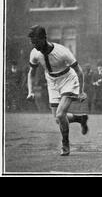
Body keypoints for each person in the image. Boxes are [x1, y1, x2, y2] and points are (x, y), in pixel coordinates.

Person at [26, 25, 89, 156]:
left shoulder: (62, 51)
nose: (35, 45)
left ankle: (65, 143)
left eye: (37, 42)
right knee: (57, 119)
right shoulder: (34, 53)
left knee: (60, 115)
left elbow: (79, 71)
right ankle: (80, 119)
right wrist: (30, 91)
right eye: (32, 42)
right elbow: (31, 73)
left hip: (68, 80)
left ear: (44, 38)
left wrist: (81, 91)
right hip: (52, 83)